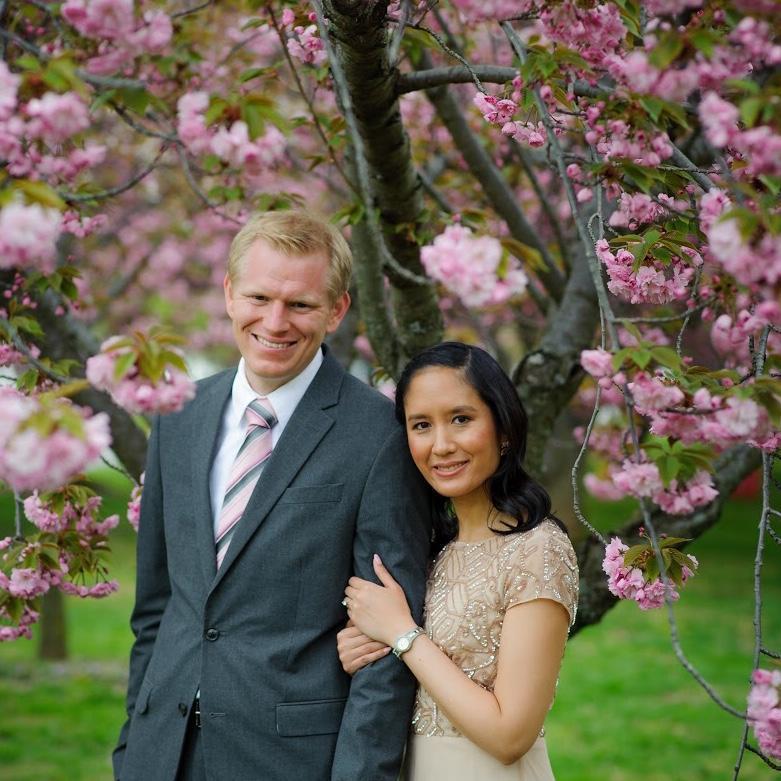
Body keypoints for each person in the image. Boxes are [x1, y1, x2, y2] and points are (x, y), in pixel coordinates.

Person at [113, 209, 432, 781]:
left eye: (301, 305)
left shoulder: (379, 434)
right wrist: (134, 745)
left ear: (337, 310)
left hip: (291, 760)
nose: (276, 322)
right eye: (259, 297)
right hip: (161, 752)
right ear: (230, 294)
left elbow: (386, 650)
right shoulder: (176, 414)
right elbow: (158, 607)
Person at [338, 342, 579, 780]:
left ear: (503, 428)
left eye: (461, 419)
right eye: (421, 425)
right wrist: (363, 646)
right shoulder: (429, 549)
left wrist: (402, 634)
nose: (442, 445)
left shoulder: (537, 550)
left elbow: (510, 735)